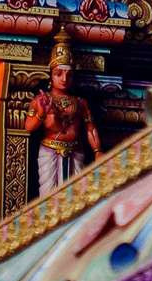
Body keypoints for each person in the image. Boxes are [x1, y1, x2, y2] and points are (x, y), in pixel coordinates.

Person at [23, 28, 100, 195]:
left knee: (76, 196)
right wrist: (42, 113)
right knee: (49, 194)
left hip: (75, 151)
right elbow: (29, 127)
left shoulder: (80, 102)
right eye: (59, 74)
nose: (64, 79)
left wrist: (97, 150)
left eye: (69, 75)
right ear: (51, 76)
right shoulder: (40, 100)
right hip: (49, 151)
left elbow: (90, 128)